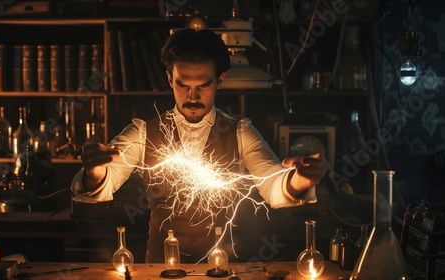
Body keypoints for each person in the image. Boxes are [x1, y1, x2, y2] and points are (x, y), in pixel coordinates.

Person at [71, 29, 329, 263]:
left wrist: (300, 181)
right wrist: (95, 171)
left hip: (220, 267)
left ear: (221, 79)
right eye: (183, 84)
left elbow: (272, 183)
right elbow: (107, 177)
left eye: (203, 85)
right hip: (159, 268)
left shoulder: (240, 132)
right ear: (169, 79)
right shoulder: (142, 132)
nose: (192, 97)